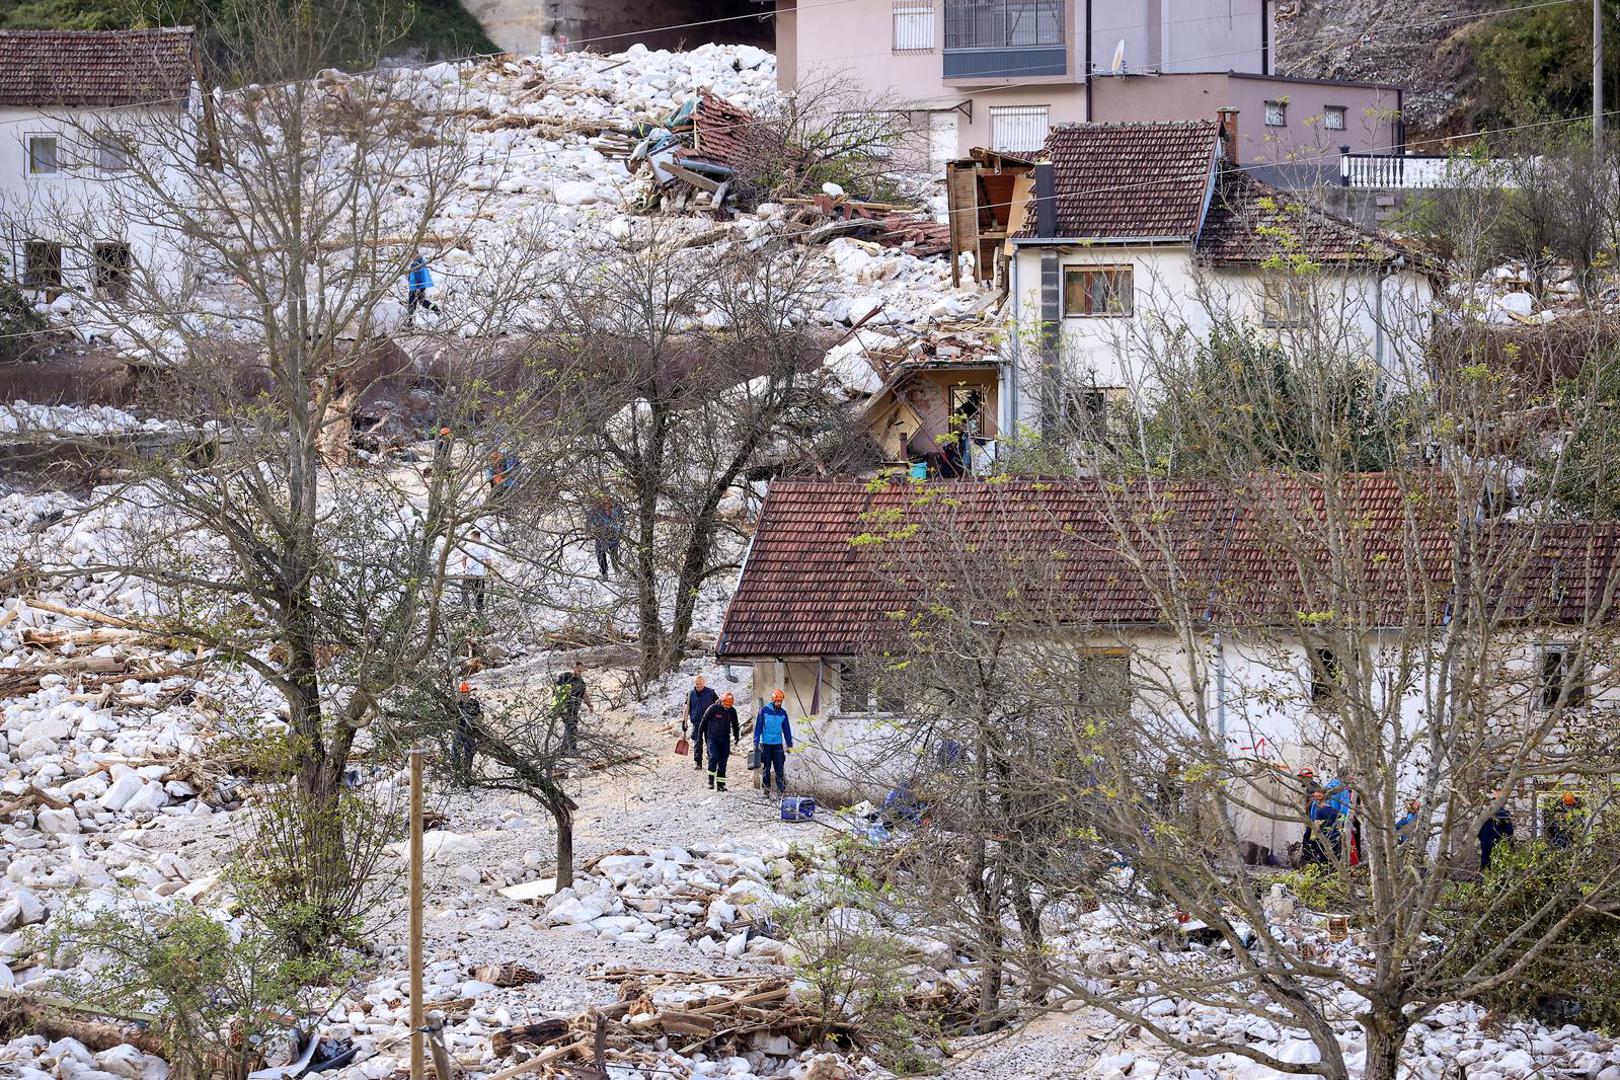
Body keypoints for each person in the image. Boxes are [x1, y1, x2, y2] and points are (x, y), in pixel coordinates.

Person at [753, 688, 794, 799]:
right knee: (766, 768)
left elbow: (786, 729)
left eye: (781, 701)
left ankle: (781, 790)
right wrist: (756, 741)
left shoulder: (783, 713)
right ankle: (766, 790)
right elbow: (758, 727)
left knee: (779, 768)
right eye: (777, 701)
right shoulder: (764, 711)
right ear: (773, 700)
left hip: (777, 744)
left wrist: (789, 744)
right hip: (765, 744)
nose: (779, 703)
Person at [699, 691, 741, 791]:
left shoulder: (732, 711)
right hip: (712, 738)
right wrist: (699, 736)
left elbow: (735, 725)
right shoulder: (713, 708)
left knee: (723, 762)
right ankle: (710, 781)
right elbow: (703, 722)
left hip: (725, 739)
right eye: (726, 705)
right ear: (722, 701)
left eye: (729, 705)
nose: (727, 707)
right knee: (714, 757)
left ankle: (720, 785)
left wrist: (736, 737)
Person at [685, 675, 718, 772]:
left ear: (704, 683)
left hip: (709, 722)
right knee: (697, 742)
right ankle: (698, 762)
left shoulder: (711, 692)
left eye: (700, 683)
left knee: (710, 742)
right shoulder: (690, 694)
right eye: (696, 684)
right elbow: (687, 708)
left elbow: (718, 705)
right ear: (694, 684)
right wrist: (684, 721)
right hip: (696, 722)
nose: (698, 685)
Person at [554, 661, 588, 753]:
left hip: (575, 707)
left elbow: (584, 694)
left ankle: (563, 749)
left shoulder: (581, 681)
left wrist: (590, 705)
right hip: (566, 705)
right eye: (578, 668)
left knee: (569, 726)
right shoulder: (566, 676)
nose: (579, 670)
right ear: (574, 667)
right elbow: (556, 689)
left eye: (581, 669)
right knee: (571, 726)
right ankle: (572, 749)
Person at [586, 493, 622, 578]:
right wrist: (588, 531)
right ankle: (604, 571)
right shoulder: (596, 509)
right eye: (604, 499)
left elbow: (622, 520)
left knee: (614, 553)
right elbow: (589, 519)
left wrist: (621, 531)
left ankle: (616, 567)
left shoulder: (617, 508)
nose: (607, 502)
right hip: (601, 534)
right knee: (600, 553)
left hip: (614, 533)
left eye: (608, 499)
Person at [1303, 789, 1342, 867]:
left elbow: (1316, 826)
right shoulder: (1334, 810)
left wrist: (1311, 840)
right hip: (1335, 837)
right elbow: (1339, 824)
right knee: (1333, 860)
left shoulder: (1319, 810)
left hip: (1323, 838)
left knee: (1322, 861)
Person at [1479, 791, 1515, 871]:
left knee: (1485, 863)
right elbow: (1509, 831)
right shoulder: (1504, 814)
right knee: (1497, 865)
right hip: (1496, 842)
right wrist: (1511, 847)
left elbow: (1479, 830)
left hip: (1485, 842)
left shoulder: (1485, 814)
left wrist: (1482, 840)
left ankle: (1483, 879)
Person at [453, 681, 480, 779]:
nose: (464, 696)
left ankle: (467, 776)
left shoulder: (474, 703)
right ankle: (456, 776)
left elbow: (475, 717)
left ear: (469, 693)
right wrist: (457, 703)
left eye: (466, 693)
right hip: (459, 732)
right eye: (462, 693)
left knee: (469, 755)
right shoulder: (456, 704)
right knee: (455, 754)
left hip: (470, 733)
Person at [460, 529, 490, 615]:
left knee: (464, 590)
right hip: (479, 574)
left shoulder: (468, 546)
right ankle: (479, 610)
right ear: (479, 536)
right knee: (479, 592)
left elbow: (463, 560)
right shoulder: (484, 546)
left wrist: (466, 569)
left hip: (469, 573)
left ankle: (466, 607)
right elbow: (489, 561)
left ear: (472, 536)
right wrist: (487, 571)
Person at [405, 254, 437, 325]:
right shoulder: (421, 262)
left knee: (412, 303)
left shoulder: (415, 264)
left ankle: (410, 321)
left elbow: (416, 276)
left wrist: (417, 287)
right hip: (420, 287)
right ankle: (435, 308)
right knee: (421, 301)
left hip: (415, 287)